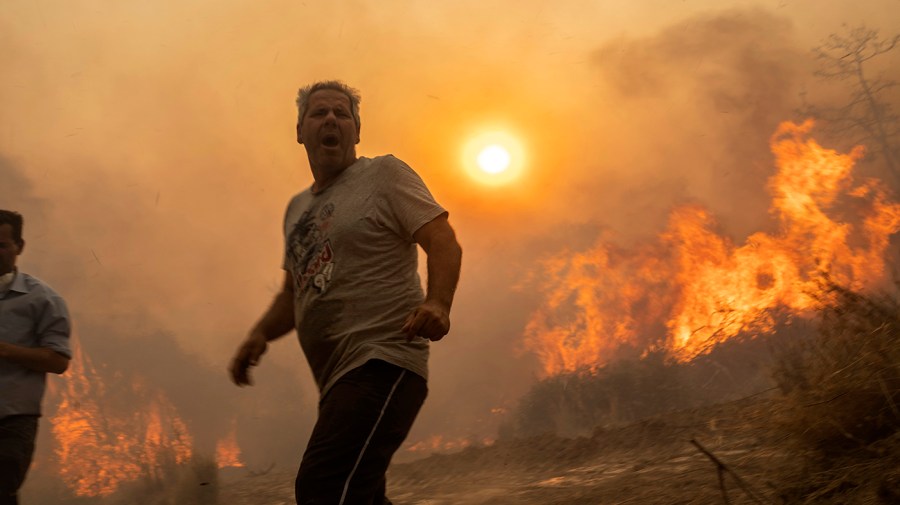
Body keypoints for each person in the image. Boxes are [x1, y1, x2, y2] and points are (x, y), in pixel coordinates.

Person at [229, 80, 462, 505]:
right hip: (337, 381)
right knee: (359, 496)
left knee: (322, 487)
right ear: (300, 130)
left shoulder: (384, 175)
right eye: (319, 113)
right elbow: (292, 294)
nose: (332, 120)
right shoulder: (297, 209)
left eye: (343, 113)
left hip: (384, 361)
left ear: (357, 130)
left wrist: (438, 303)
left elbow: (442, 239)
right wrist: (259, 334)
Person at [0, 210, 72, 505]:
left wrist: (4, 350)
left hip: (11, 421)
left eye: (1, 245)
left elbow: (58, 361)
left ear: (20, 247)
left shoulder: (42, 300)